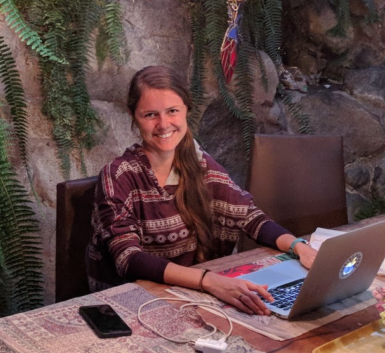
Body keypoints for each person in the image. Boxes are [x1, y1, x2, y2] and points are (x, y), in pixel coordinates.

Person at [86, 65, 320, 315]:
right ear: (134, 117)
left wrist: (300, 247)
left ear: (187, 109)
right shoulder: (118, 175)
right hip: (133, 304)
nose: (163, 124)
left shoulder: (200, 163)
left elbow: (250, 217)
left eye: (172, 111)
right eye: (150, 114)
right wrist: (208, 281)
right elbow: (128, 258)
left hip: (191, 295)